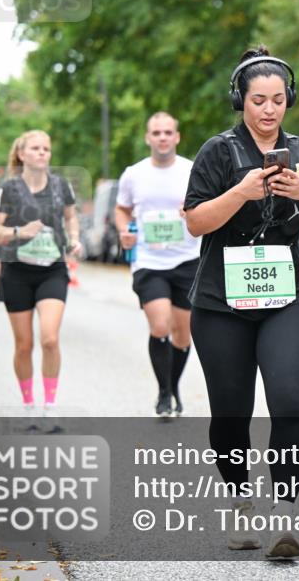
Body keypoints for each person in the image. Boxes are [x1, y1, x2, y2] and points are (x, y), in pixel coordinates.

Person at [184, 46, 299, 558]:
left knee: (291, 402)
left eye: (278, 99)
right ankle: (240, 502)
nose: (269, 109)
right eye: (259, 100)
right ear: (241, 101)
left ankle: (285, 517)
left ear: (289, 99)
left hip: (288, 296)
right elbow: (195, 222)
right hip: (220, 303)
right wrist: (241, 193)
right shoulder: (217, 151)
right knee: (231, 414)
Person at [0, 131, 82, 414]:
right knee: (24, 344)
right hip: (16, 272)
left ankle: (49, 403)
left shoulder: (61, 185)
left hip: (52, 269)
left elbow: (71, 216)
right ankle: (28, 401)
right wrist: (19, 231)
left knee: (50, 338)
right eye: (36, 148)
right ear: (22, 154)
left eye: (46, 149)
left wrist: (74, 238)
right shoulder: (7, 189)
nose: (42, 153)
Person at [115, 112, 201, 418]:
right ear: (148, 138)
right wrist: (125, 232)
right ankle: (163, 393)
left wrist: (191, 212)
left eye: (168, 132)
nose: (162, 137)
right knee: (161, 324)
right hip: (148, 261)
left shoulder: (192, 170)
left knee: (183, 335)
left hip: (187, 260)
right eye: (156, 133)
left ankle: (173, 386)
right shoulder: (133, 174)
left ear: (176, 137)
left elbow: (205, 209)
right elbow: (122, 210)